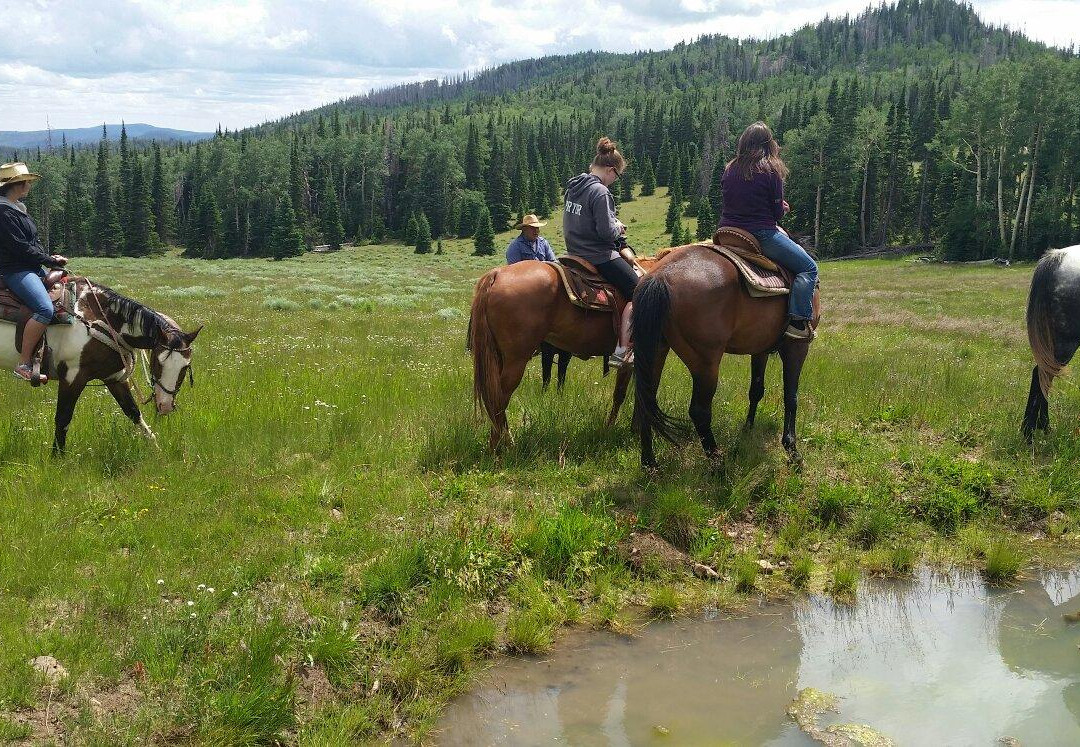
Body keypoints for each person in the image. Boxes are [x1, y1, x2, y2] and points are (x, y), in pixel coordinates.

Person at [719, 121, 818, 341]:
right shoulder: (771, 169)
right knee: (809, 268)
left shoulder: (730, 168)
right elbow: (776, 215)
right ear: (768, 144)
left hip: (727, 231)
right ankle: (798, 322)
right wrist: (782, 207)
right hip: (760, 234)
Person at [563, 137, 636, 367]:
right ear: (611, 170)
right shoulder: (600, 192)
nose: (615, 181)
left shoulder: (574, 186)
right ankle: (623, 350)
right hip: (598, 255)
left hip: (573, 253)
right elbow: (606, 233)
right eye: (617, 176)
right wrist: (618, 226)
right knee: (640, 291)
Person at [0, 162, 67, 382]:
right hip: (16, 270)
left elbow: (33, 243)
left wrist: (51, 259)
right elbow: (20, 247)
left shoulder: (18, 209)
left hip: (30, 267)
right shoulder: (3, 213)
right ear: (17, 185)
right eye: (27, 181)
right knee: (44, 309)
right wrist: (48, 260)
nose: (29, 184)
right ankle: (23, 363)